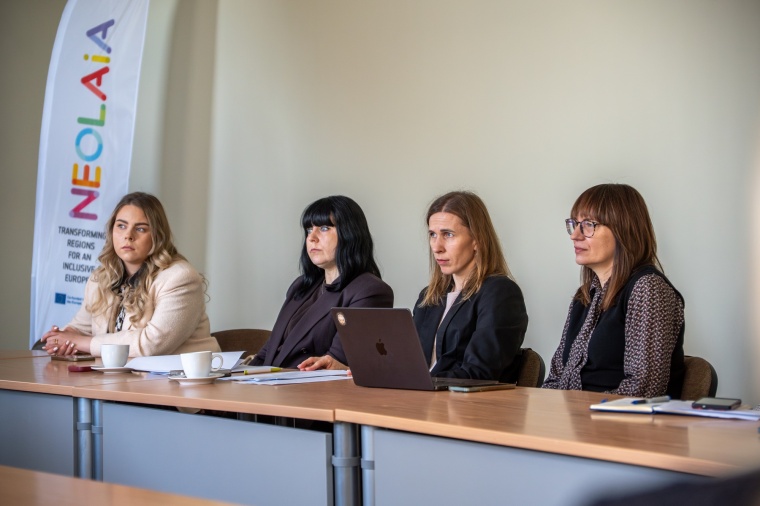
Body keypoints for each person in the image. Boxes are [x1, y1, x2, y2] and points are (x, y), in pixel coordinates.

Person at [543, 183, 685, 397]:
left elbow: (644, 388)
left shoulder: (648, 288)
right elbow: (556, 377)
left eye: (588, 225)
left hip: (615, 417)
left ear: (623, 230)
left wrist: (579, 411)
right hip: (574, 415)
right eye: (574, 224)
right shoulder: (584, 296)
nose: (575, 235)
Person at [41, 192, 219, 357]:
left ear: (157, 235)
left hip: (178, 378)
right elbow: (81, 328)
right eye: (121, 226)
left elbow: (151, 344)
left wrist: (80, 342)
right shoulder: (100, 278)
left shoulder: (180, 278)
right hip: (120, 376)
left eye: (140, 229)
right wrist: (63, 337)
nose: (128, 236)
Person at [252, 195, 393, 370]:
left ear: (350, 233)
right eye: (309, 229)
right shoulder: (301, 286)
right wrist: (239, 376)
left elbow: (335, 361)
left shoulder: (370, 291)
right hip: (271, 382)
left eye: (324, 228)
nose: (312, 237)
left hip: (311, 385)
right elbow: (269, 352)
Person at [412, 191, 528, 382]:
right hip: (419, 396)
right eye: (433, 235)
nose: (437, 247)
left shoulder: (500, 293)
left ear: (477, 240)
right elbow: (409, 362)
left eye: (448, 234)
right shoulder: (429, 297)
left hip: (463, 400)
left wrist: (420, 382)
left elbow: (479, 373)